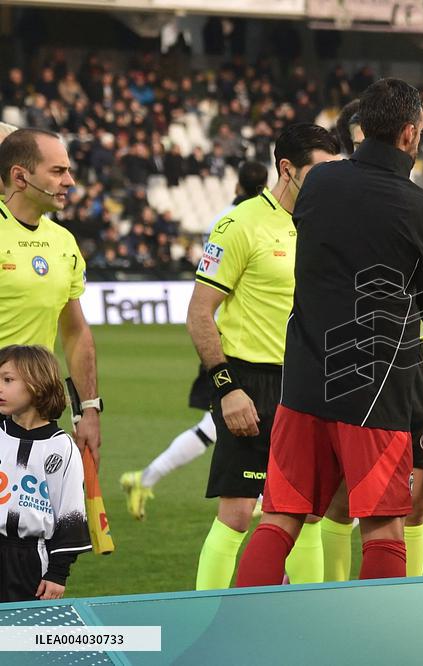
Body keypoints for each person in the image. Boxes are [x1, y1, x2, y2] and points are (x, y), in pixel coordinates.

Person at [234, 78, 423, 585]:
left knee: (281, 516)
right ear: (410, 133)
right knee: (383, 524)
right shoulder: (422, 207)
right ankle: (376, 643)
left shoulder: (319, 182)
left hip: (305, 377)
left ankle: (239, 631)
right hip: (375, 387)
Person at [188, 124, 339, 590]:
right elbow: (199, 314)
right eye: (320, 171)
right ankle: (205, 621)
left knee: (309, 512)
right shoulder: (240, 224)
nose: (331, 182)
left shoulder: (328, 224)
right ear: (287, 169)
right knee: (237, 512)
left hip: (311, 382)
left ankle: (306, 625)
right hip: (250, 383)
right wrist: (226, 388)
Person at [119, 160, 272, 521]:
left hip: (221, 335)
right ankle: (265, 493)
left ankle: (145, 477)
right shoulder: (251, 222)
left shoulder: (222, 218)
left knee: (215, 428)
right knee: (226, 426)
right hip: (235, 343)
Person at [0, 128, 102, 466]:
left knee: (31, 521)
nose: (70, 181)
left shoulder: (63, 242)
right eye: (58, 171)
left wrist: (87, 410)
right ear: (20, 177)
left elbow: (75, 332)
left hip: (38, 416)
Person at [0, 345, 91, 601]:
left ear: (37, 385)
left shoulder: (62, 448)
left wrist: (57, 573)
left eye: (8, 380)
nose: (0, 387)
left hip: (29, 560)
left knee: (22, 636)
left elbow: (70, 514)